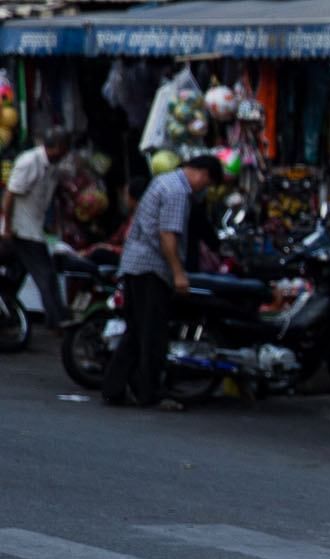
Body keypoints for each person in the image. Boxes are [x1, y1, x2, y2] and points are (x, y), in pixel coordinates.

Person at [101, 155, 223, 410]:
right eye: (207, 183)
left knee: (136, 330)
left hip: (136, 264)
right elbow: (168, 235)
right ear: (201, 174)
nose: (204, 189)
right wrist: (179, 273)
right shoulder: (178, 191)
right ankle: (149, 393)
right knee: (152, 334)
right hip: (152, 269)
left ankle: (114, 387)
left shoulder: (163, 182)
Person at [1, 127, 71, 332]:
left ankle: (9, 309)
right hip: (23, 230)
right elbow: (10, 194)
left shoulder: (51, 166)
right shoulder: (29, 162)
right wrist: (7, 227)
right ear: (57, 147)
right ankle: (58, 321)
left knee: (17, 274)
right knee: (45, 274)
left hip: (33, 227)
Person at [83, 176, 149, 266]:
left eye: (126, 195)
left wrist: (109, 248)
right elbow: (116, 238)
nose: (124, 199)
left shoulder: (142, 219)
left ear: (133, 199)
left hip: (132, 259)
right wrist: (102, 246)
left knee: (98, 253)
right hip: (123, 253)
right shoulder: (131, 217)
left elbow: (132, 249)